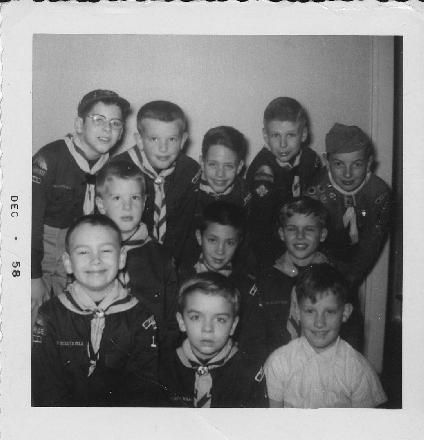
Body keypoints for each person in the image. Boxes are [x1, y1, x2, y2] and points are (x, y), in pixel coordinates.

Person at [32, 215, 161, 406]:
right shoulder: (49, 316)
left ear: (121, 258)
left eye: (106, 250)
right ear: (68, 262)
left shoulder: (141, 319)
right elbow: (45, 389)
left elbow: (143, 392)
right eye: (84, 252)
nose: (96, 260)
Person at [31, 89, 131, 329]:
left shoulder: (112, 169)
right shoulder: (50, 158)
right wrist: (32, 275)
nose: (107, 129)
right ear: (79, 124)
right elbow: (28, 219)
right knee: (32, 318)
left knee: (67, 324)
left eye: (115, 123)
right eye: (98, 120)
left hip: (79, 259)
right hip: (40, 254)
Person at [264, 264, 387, 408]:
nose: (319, 323)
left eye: (329, 312)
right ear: (297, 311)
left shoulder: (358, 371)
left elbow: (364, 422)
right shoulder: (279, 363)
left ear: (345, 312)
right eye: (310, 311)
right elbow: (273, 418)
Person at [95, 160, 179, 357]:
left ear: (145, 201)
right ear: (101, 204)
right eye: (117, 198)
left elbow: (171, 319)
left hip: (150, 355)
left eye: (134, 197)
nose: (127, 207)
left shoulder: (161, 257)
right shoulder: (90, 253)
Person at [160, 272, 268, 408]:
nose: (208, 329)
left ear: (233, 326)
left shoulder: (249, 373)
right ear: (181, 322)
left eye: (220, 319)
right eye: (196, 317)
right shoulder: (163, 368)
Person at [178, 201, 266, 363]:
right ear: (199, 237)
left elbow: (253, 341)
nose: (220, 250)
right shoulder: (181, 280)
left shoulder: (246, 287)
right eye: (212, 240)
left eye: (229, 243)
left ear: (238, 243)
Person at [305, 123, 391, 287]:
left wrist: (351, 279)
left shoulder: (378, 194)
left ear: (369, 163)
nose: (347, 173)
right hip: (320, 262)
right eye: (339, 164)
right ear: (327, 161)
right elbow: (309, 234)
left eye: (357, 164)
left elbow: (372, 242)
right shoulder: (316, 190)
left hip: (355, 264)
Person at [115, 100, 200, 266]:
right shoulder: (118, 170)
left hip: (171, 261)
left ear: (183, 140)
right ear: (140, 140)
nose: (163, 148)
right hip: (126, 259)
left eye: (172, 139)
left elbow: (185, 227)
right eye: (154, 139)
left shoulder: (190, 171)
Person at [246, 97, 321, 271]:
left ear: (303, 134)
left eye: (291, 135)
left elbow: (316, 207)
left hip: (303, 241)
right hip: (271, 250)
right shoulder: (263, 172)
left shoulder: (311, 160)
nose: (283, 144)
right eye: (275, 135)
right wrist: (278, 261)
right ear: (265, 135)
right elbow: (260, 227)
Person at [256, 197, 329, 357]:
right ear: (282, 234)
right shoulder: (265, 279)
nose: (300, 236)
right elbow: (257, 335)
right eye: (292, 229)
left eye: (309, 229)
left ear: (322, 234)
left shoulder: (335, 278)